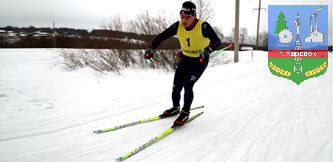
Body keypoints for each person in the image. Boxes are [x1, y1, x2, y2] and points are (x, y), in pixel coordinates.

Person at [145, 1, 221, 127]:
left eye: (187, 17)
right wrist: (151, 48)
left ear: (194, 16)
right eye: (182, 16)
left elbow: (216, 41)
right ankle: (175, 107)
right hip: (186, 59)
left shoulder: (203, 26)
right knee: (176, 84)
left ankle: (185, 111)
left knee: (188, 83)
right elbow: (161, 37)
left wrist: (208, 50)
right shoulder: (178, 26)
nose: (184, 20)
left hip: (199, 60)